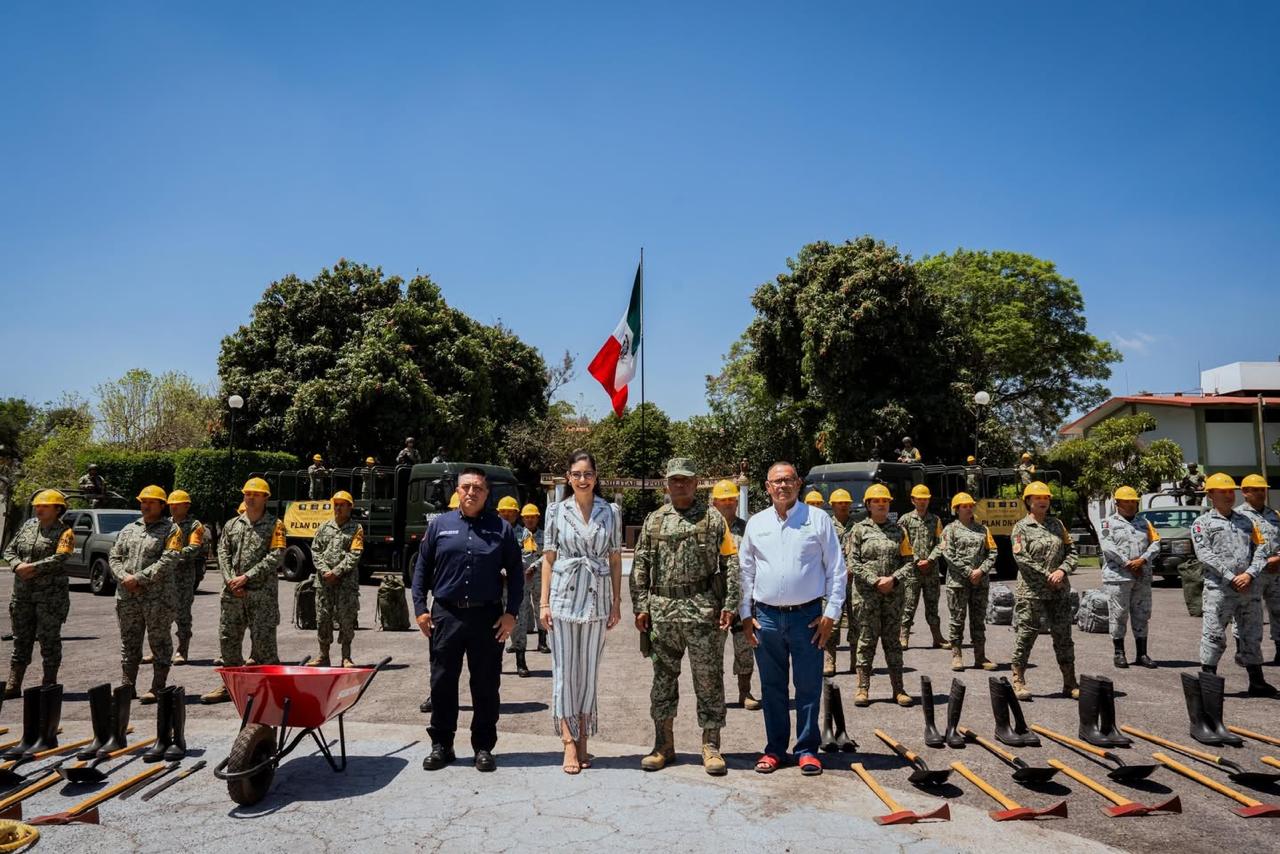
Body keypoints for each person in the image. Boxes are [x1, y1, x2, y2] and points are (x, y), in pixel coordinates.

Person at [632, 457, 738, 777]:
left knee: (708, 681)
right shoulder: (653, 520)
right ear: (667, 484)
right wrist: (641, 606)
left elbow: (730, 564)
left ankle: (711, 745)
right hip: (663, 612)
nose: (680, 485)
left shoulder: (714, 519)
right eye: (675, 480)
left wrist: (730, 604)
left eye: (686, 480)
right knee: (663, 681)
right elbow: (640, 565)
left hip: (703, 609)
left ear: (696, 483)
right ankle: (664, 744)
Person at [413, 467, 523, 772]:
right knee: (442, 682)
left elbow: (516, 573)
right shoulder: (439, 526)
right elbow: (421, 568)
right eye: (466, 487)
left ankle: (483, 746)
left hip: (487, 617)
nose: (471, 492)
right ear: (457, 491)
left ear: (487, 494)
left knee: (486, 685)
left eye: (478, 488)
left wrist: (511, 613)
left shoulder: (501, 529)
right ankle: (442, 745)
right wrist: (420, 608)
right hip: (446, 615)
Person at [740, 462, 845, 775]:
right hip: (766, 619)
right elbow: (746, 571)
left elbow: (836, 569)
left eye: (788, 480)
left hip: (808, 618)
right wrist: (745, 613)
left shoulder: (817, 520)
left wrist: (831, 613)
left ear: (799, 484)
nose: (782, 486)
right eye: (776, 481)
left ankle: (807, 749)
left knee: (808, 685)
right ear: (767, 487)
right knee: (772, 688)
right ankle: (775, 749)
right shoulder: (756, 524)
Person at [541, 451, 622, 774]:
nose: (583, 479)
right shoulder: (555, 511)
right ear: (568, 477)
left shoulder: (610, 511)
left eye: (588, 473)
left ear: (596, 476)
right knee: (564, 673)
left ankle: (585, 737)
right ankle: (568, 743)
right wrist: (543, 602)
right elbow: (548, 558)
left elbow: (615, 558)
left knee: (588, 672)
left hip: (596, 598)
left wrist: (616, 602)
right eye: (576, 474)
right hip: (562, 598)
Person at [201, 478, 286, 703]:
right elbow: (223, 553)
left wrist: (247, 577)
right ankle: (231, 687)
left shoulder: (274, 525)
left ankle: (271, 691)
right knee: (228, 639)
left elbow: (276, 556)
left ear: (265, 498)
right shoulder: (232, 525)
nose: (250, 497)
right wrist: (231, 580)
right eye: (247, 493)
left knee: (264, 643)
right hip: (233, 595)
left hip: (261, 595)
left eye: (255, 494)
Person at [1193, 473, 1273, 696]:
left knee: (1252, 634)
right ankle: (1208, 683)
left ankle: (1257, 682)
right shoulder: (1202, 524)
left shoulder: (1247, 521)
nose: (1229, 495)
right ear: (1210, 495)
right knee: (1214, 634)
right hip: (1220, 589)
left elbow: (1261, 550)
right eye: (1223, 491)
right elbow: (1204, 554)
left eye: (1231, 491)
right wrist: (1231, 576)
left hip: (1248, 588)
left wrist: (1249, 574)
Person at [110, 485, 182, 703]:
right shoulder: (129, 529)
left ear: (162, 505)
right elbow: (114, 556)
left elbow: (169, 560)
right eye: (143, 501)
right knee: (129, 642)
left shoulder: (172, 530)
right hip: (127, 596)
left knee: (159, 642)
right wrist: (124, 577)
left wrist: (138, 578)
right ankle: (127, 685)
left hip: (157, 599)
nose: (146, 505)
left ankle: (157, 686)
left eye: (151, 502)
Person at [846, 483, 913, 707]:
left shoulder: (899, 531)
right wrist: (875, 581)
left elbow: (909, 563)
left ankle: (898, 689)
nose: (881, 504)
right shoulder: (858, 530)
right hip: (866, 597)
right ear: (868, 505)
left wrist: (893, 580)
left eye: (885, 501)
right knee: (865, 641)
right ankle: (863, 688)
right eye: (876, 501)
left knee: (893, 642)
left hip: (893, 596)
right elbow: (853, 562)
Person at [1009, 481, 1078, 701]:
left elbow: (1071, 552)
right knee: (1026, 635)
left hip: (1058, 591)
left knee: (1063, 637)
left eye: (1046, 498)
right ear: (1028, 501)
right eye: (1038, 498)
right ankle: (1018, 680)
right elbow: (1021, 558)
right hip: (1031, 591)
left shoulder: (1057, 524)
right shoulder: (1021, 527)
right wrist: (1048, 575)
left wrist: (1062, 571)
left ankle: (1070, 683)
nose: (1042, 501)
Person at [3, 489, 73, 696]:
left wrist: (32, 568)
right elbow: (10, 550)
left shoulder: (65, 532)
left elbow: (61, 557)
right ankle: (14, 684)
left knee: (49, 639)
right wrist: (16, 565)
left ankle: (49, 683)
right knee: (21, 639)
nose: (39, 509)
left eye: (44, 506)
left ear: (57, 509)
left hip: (50, 597)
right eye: (37, 506)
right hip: (23, 595)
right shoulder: (28, 526)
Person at [710, 479, 759, 711]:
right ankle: (716, 695)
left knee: (744, 647)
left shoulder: (748, 528)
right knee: (713, 650)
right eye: (723, 500)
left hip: (742, 599)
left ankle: (745, 692)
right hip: (715, 598)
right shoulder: (707, 529)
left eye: (732, 500)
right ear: (714, 502)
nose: (728, 504)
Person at [1100, 486, 1161, 669]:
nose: (1131, 505)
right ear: (1117, 503)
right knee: (1118, 615)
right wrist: (1127, 563)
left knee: (1142, 615)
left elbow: (1156, 542)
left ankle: (1142, 654)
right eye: (1126, 502)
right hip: (1118, 577)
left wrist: (1142, 560)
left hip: (1141, 576)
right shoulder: (1107, 523)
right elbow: (1107, 546)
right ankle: (1119, 653)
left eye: (1133, 501)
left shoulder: (1145, 523)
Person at [307, 491, 364, 667]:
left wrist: (337, 572)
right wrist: (325, 571)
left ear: (350, 507)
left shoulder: (356, 529)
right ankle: (323, 655)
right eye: (336, 504)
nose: (338, 508)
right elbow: (315, 550)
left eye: (342, 505)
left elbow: (355, 554)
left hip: (346, 583)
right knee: (322, 618)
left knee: (346, 619)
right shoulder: (324, 527)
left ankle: (346, 656)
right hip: (324, 582)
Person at [941, 493, 996, 671]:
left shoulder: (983, 530)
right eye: (964, 506)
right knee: (957, 619)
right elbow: (948, 554)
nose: (968, 508)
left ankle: (980, 656)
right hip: (958, 583)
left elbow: (993, 552)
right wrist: (968, 571)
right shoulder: (949, 530)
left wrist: (981, 570)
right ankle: (957, 655)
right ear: (956, 509)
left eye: (970, 505)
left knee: (978, 620)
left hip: (980, 582)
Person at [1237, 474, 1280, 666]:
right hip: (1251, 574)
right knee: (1247, 614)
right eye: (1256, 490)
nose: (1261, 493)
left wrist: (1278, 558)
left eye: (1263, 489)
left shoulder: (1275, 515)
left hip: (1276, 572)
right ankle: (1244, 652)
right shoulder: (1238, 517)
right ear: (1245, 492)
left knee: (1278, 611)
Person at [899, 484, 947, 650]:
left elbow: (942, 543)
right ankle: (903, 637)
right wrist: (917, 560)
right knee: (908, 605)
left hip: (931, 570)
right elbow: (903, 543)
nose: (922, 502)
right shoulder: (904, 520)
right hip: (912, 571)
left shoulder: (935, 520)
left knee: (932, 605)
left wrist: (931, 560)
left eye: (925, 499)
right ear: (913, 500)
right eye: (919, 499)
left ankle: (937, 637)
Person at [166, 490, 207, 666]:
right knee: (160, 616)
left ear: (186, 506)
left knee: (182, 615)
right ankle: (159, 650)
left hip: (183, 577)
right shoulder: (165, 524)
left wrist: (172, 554)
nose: (173, 507)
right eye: (171, 504)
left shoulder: (194, 525)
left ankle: (182, 650)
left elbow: (194, 548)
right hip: (164, 576)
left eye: (177, 504)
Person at [508, 504, 547, 678]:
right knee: (518, 614)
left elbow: (548, 555)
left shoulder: (543, 535)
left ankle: (542, 641)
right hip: (519, 579)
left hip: (537, 577)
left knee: (539, 608)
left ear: (538, 518)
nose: (530, 519)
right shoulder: (517, 535)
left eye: (533, 516)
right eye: (527, 517)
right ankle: (516, 645)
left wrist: (534, 567)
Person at [822, 488, 858, 676]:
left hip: (855, 583)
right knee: (831, 620)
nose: (843, 505)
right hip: (833, 582)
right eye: (839, 503)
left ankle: (855, 661)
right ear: (832, 505)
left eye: (846, 503)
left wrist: (852, 568)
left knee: (856, 622)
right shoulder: (827, 526)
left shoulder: (858, 526)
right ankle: (830, 661)